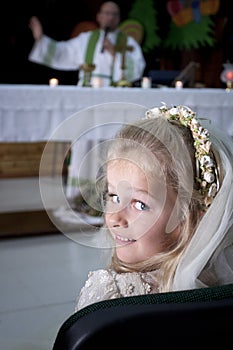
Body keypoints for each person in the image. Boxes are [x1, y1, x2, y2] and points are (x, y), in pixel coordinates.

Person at [74, 103, 233, 312]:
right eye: (113, 196)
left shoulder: (109, 294)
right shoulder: (221, 288)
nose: (114, 218)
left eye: (140, 204)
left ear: (193, 218)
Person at [28, 1, 146, 86]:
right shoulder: (86, 39)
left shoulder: (128, 41)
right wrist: (41, 39)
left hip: (114, 90)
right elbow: (63, 52)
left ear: (119, 18)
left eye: (114, 14)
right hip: (87, 89)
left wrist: (114, 52)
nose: (110, 17)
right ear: (98, 17)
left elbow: (137, 68)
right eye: (106, 13)